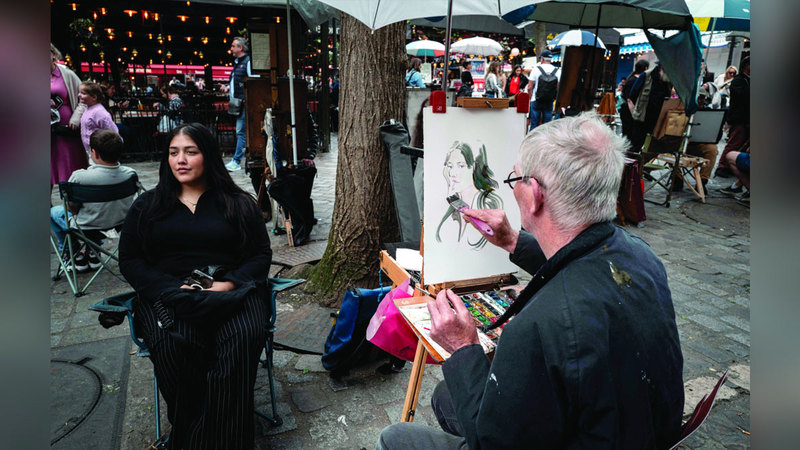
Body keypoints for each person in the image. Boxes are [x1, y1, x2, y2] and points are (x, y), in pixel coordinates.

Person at [376, 112, 684, 449]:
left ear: (535, 194)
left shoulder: (537, 326)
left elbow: (494, 442)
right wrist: (512, 240)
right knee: (448, 396)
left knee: (396, 438)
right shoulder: (641, 257)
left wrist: (462, 347)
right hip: (634, 429)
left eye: (515, 178)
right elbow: (578, 259)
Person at [119, 122, 272, 449]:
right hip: (169, 295)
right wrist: (169, 289)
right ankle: (206, 434)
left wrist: (229, 284)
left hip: (232, 293)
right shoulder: (148, 206)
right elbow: (130, 260)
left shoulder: (238, 203)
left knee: (242, 339)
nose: (181, 160)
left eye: (191, 152)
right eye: (174, 153)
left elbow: (260, 254)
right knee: (176, 346)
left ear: (209, 157)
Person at [50, 130, 137, 268]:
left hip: (86, 229)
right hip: (120, 225)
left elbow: (70, 208)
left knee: (53, 212)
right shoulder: (130, 174)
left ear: (94, 153)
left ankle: (72, 254)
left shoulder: (79, 177)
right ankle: (93, 252)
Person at [435, 141, 503, 250]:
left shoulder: (489, 205)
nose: (452, 173)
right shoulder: (452, 206)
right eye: (450, 166)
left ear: (474, 166)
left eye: (461, 166)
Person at [51, 44, 88, 185]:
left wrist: (76, 117)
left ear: (53, 54)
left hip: (67, 128)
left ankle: (73, 202)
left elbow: (84, 98)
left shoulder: (67, 74)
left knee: (69, 165)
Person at [221, 36, 258, 171]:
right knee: (242, 132)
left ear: (240, 48)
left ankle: (236, 161)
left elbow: (253, 82)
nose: (231, 48)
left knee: (241, 132)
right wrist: (228, 87)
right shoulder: (238, 62)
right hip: (239, 102)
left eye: (233, 46)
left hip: (244, 102)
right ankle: (243, 158)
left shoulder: (247, 62)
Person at [716, 56, 749, 179]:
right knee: (734, 142)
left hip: (746, 119)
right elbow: (742, 96)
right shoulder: (739, 80)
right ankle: (722, 166)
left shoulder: (746, 80)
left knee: (742, 144)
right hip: (738, 118)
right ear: (746, 66)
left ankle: (731, 166)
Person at [78, 81, 119, 161]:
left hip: (100, 153)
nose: (79, 95)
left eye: (83, 93)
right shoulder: (88, 108)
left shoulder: (99, 112)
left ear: (94, 97)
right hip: (91, 151)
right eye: (79, 92)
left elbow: (112, 131)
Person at [526, 49, 561, 131]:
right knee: (547, 126)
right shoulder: (557, 71)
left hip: (536, 99)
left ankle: (532, 142)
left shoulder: (536, 69)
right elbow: (558, 87)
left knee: (534, 124)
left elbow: (529, 87)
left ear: (542, 59)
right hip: (549, 100)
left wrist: (530, 97)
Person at [618, 59, 650, 143]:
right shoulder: (635, 81)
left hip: (629, 111)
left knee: (628, 136)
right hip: (629, 112)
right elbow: (629, 100)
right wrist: (634, 114)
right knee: (629, 137)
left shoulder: (631, 79)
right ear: (646, 68)